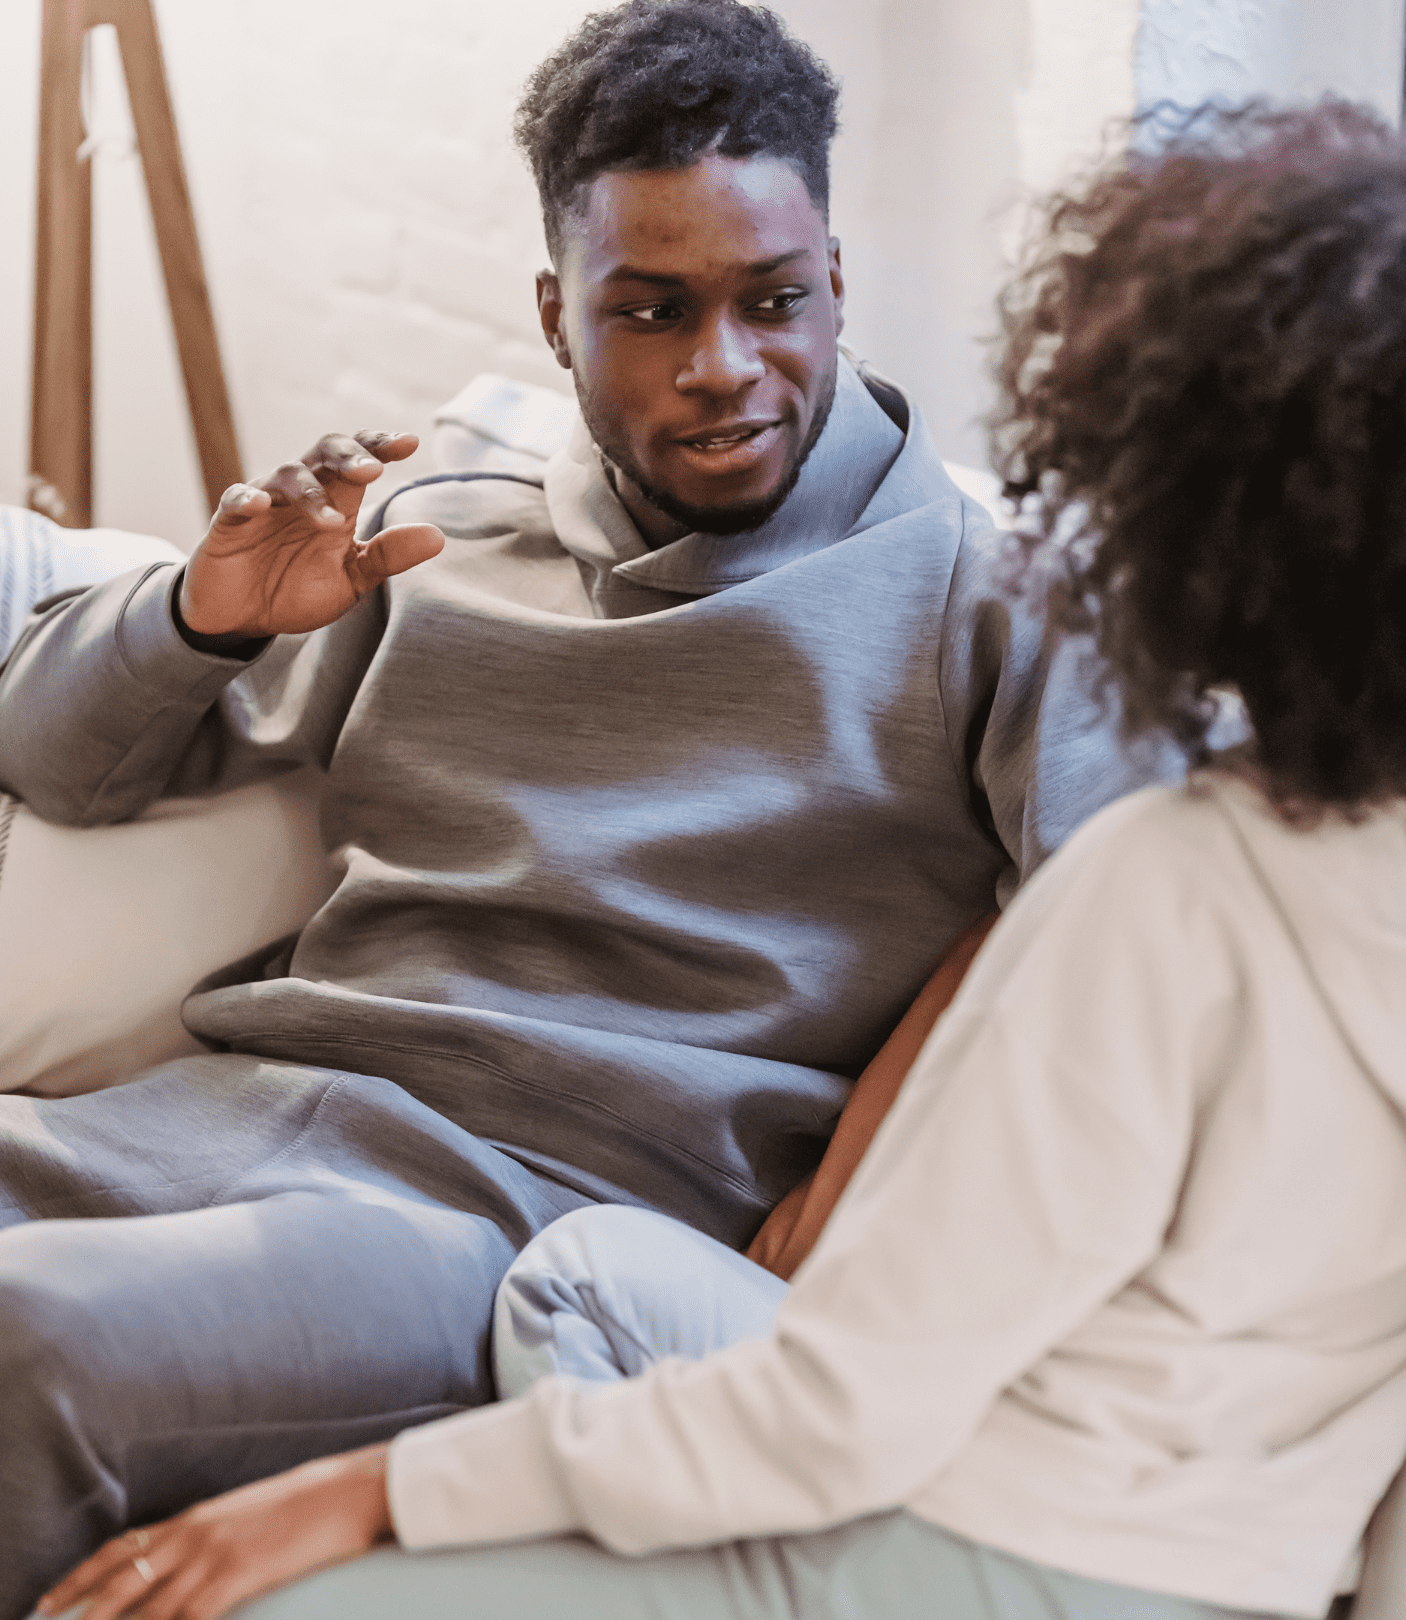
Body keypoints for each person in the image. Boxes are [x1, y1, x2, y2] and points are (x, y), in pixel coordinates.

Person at [41, 95, 1406, 1620]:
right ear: (557, 315)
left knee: (27, 1339)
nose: (723, 367)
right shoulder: (439, 506)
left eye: (774, 301)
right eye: (650, 311)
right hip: (224, 1113)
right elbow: (53, 758)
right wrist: (194, 619)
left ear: (837, 278)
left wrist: (864, 1158)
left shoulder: (1003, 608)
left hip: (528, 1213)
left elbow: (1102, 940)